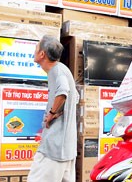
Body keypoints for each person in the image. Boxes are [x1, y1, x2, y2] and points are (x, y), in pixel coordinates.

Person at [28, 35, 79, 182]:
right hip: (66, 148)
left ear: (42, 54)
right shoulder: (62, 69)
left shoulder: (57, 71)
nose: (35, 51)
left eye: (36, 48)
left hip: (54, 148)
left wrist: (52, 113)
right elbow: (74, 97)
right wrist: (61, 112)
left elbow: (63, 92)